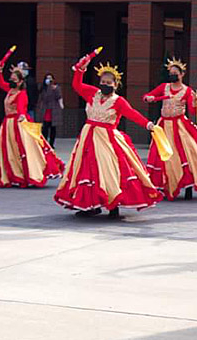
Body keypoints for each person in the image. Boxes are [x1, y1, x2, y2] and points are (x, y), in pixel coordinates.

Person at [54, 52, 162, 219]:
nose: (104, 85)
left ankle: (113, 204)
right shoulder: (92, 93)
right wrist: (80, 69)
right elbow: (76, 85)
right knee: (86, 170)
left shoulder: (118, 101)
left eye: (108, 83)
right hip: (88, 137)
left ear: (115, 84)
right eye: (102, 82)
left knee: (108, 169)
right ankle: (91, 205)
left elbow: (132, 113)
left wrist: (147, 124)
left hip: (107, 139)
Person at [143, 58, 197, 201]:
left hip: (179, 125)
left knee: (187, 154)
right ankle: (165, 184)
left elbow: (191, 111)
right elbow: (147, 96)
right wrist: (149, 98)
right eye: (171, 73)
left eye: (175, 73)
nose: (173, 75)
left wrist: (194, 102)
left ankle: (189, 186)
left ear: (182, 74)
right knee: (163, 155)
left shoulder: (187, 90)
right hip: (164, 125)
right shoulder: (164, 87)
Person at [0, 59, 64, 188]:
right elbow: (0, 83)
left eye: (14, 79)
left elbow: (22, 108)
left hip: (18, 122)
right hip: (7, 123)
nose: (11, 81)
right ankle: (11, 174)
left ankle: (23, 174)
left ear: (21, 81)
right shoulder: (9, 90)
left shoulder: (21, 93)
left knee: (22, 149)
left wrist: (22, 116)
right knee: (8, 150)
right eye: (11, 78)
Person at [35, 72, 63, 148]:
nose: (49, 80)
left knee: (53, 128)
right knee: (45, 128)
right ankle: (44, 143)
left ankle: (51, 143)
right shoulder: (43, 88)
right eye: (47, 78)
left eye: (50, 78)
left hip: (53, 110)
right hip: (45, 109)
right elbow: (42, 98)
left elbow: (59, 96)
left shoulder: (56, 88)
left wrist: (54, 88)